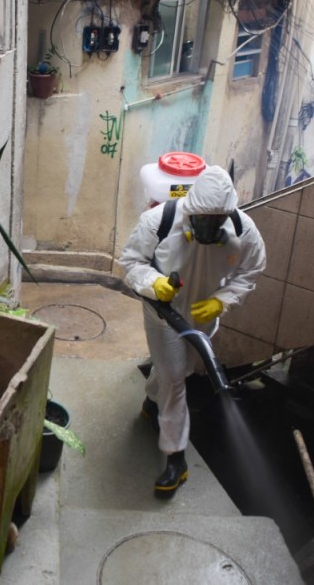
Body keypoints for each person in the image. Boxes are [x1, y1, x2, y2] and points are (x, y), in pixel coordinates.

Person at [119, 165, 266, 497]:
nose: (210, 227)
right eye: (203, 220)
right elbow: (130, 262)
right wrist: (154, 282)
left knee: (178, 371)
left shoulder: (243, 229)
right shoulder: (158, 222)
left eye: (217, 221)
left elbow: (252, 270)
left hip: (203, 320)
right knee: (175, 379)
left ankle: (151, 402)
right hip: (163, 317)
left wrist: (222, 300)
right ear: (191, 208)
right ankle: (176, 458)